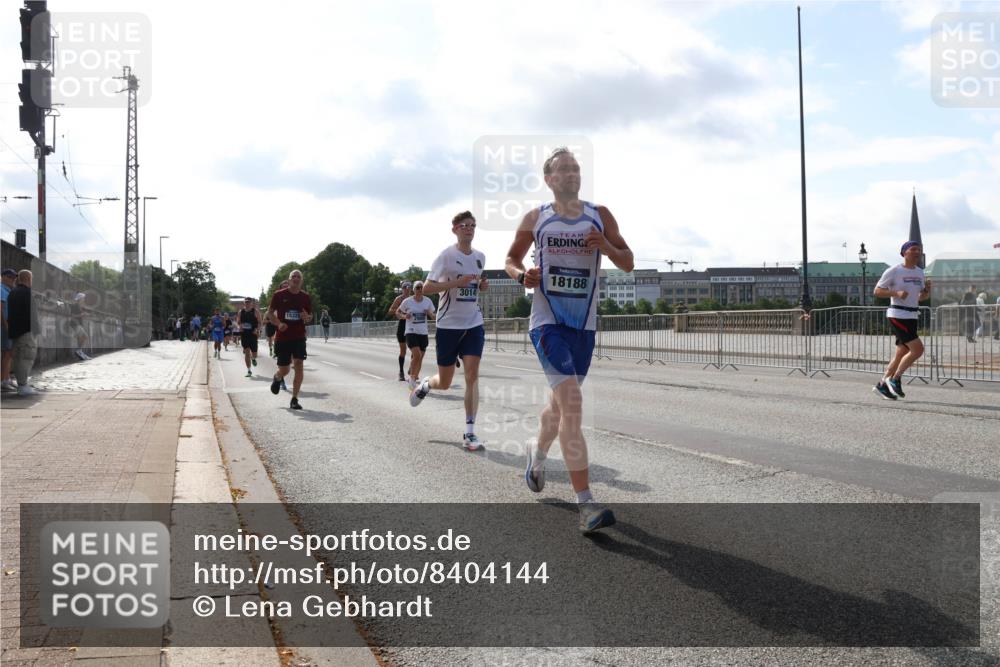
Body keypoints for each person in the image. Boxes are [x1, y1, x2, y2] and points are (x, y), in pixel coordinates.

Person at [505, 147, 634, 534]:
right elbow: (510, 258)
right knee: (573, 405)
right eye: (564, 169)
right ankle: (586, 504)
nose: (572, 174)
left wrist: (605, 247)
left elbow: (628, 261)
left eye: (576, 168)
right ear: (549, 179)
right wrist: (520, 275)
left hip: (584, 326)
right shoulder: (536, 217)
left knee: (559, 406)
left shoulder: (600, 214)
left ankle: (536, 452)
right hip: (547, 323)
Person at [409, 211, 489, 452]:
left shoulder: (480, 257)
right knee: (444, 382)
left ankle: (470, 432)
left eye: (473, 225)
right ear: (454, 229)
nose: (469, 229)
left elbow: (475, 287)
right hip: (448, 325)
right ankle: (425, 385)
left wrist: (481, 286)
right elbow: (429, 286)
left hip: (473, 323)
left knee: (472, 376)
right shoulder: (446, 256)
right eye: (464, 225)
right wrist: (457, 283)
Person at [872, 241, 932, 400]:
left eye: (919, 250)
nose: (917, 252)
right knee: (918, 350)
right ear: (904, 252)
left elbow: (920, 298)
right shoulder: (894, 271)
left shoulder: (920, 272)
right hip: (898, 315)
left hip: (912, 315)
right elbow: (877, 291)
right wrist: (896, 293)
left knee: (902, 352)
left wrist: (927, 291)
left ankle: (882, 384)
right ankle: (895, 379)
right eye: (913, 249)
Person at [267, 270, 312, 410]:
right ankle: (277, 377)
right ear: (289, 279)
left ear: (301, 281)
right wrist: (279, 324)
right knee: (285, 369)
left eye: (299, 276)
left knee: (299, 364)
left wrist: (307, 318)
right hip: (283, 337)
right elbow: (269, 313)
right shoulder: (279, 295)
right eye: (294, 276)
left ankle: (294, 399)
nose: (296, 278)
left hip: (299, 336)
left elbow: (309, 317)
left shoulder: (305, 297)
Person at [398, 280, 436, 389]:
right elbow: (398, 312)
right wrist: (405, 316)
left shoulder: (428, 301)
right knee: (417, 355)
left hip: (423, 333)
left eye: (421, 287)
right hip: (411, 331)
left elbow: (434, 317)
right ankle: (412, 379)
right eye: (417, 288)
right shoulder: (407, 301)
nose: (419, 290)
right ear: (413, 290)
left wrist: (429, 313)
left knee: (420, 358)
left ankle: (413, 375)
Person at [8, 270, 40, 396]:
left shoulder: (13, 292)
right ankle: (22, 385)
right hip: (26, 330)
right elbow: (32, 314)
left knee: (19, 358)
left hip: (16, 330)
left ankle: (22, 383)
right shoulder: (26, 293)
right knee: (26, 357)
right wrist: (37, 330)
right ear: (28, 279)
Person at [387, 281, 412, 381]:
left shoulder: (413, 299)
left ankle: (412, 367)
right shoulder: (399, 299)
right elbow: (390, 311)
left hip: (412, 325)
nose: (407, 289)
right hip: (402, 324)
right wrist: (400, 310)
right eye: (405, 287)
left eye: (409, 287)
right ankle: (401, 372)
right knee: (403, 351)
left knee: (415, 349)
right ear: (402, 288)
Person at [1, 268, 16, 392]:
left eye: (14, 277)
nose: (13, 279)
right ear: (4, 277)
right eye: (10, 277)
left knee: (9, 352)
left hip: (8, 324)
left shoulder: (8, 290)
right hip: (4, 325)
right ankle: (4, 380)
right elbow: (0, 309)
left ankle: (6, 378)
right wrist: (5, 325)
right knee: (7, 352)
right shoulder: (2, 289)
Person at [238, 297, 261, 377]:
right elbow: (239, 322)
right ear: (244, 303)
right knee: (247, 352)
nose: (247, 303)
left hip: (253, 334)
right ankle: (249, 370)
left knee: (254, 354)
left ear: (251, 303)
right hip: (244, 334)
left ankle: (253, 358)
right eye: (246, 302)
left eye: (249, 302)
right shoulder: (241, 312)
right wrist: (240, 326)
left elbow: (259, 322)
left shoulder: (255, 311)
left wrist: (257, 330)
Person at [69, 293, 91, 360]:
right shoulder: (74, 306)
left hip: (79, 324)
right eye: (83, 298)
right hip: (75, 324)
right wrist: (82, 314)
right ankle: (79, 351)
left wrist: (85, 314)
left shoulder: (80, 306)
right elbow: (72, 316)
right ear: (80, 299)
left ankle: (80, 352)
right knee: (85, 336)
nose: (84, 300)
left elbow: (80, 314)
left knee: (80, 338)